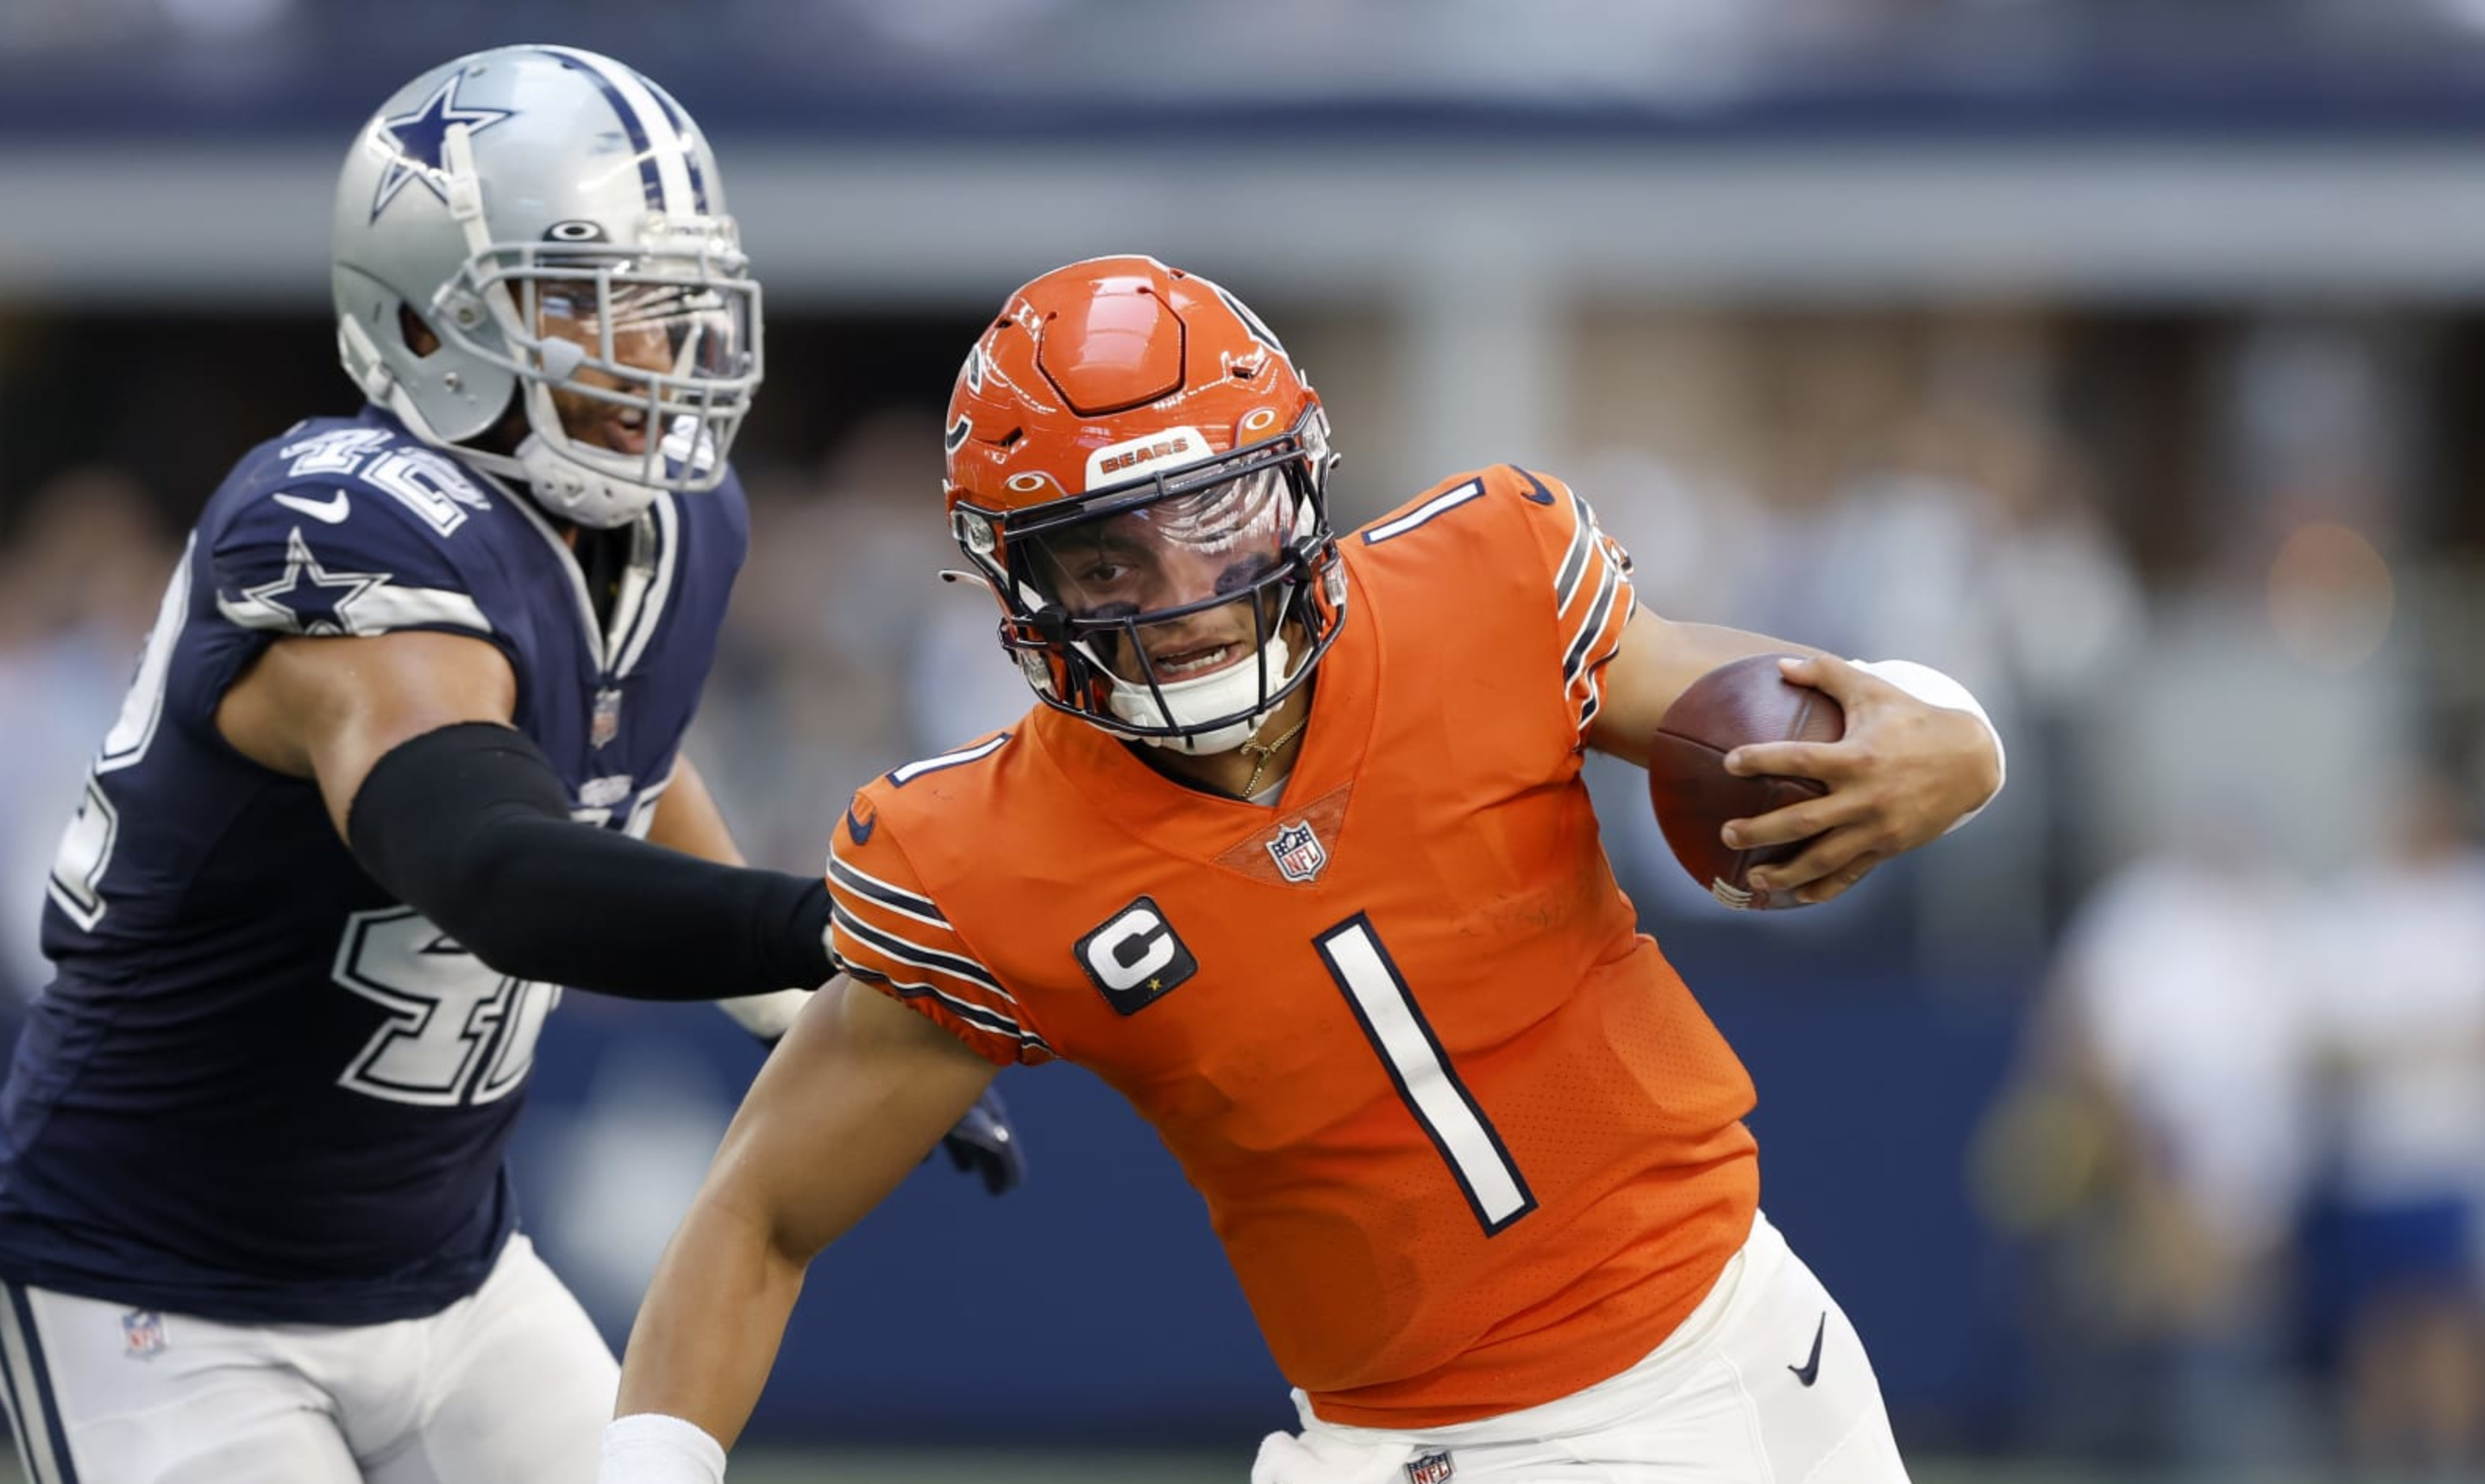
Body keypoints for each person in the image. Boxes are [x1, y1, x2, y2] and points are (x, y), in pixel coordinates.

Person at [0, 45, 1017, 1484]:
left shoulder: (676, 524)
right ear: (430, 317)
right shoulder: (348, 539)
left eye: (669, 300)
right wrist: (848, 921)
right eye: (586, 297)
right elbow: (496, 866)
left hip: (442, 1268)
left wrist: (800, 997)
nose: (652, 347)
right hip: (161, 1286)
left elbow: (622, 764)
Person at [596, 255, 2006, 1484]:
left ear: (1298, 484)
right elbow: (760, 1208)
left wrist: (1958, 733)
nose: (1184, 596)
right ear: (1014, 585)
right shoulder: (980, 858)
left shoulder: (1487, 584)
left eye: (1213, 518)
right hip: (1438, 1449)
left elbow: (1807, 711)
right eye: (1102, 561)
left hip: (1762, 1334)